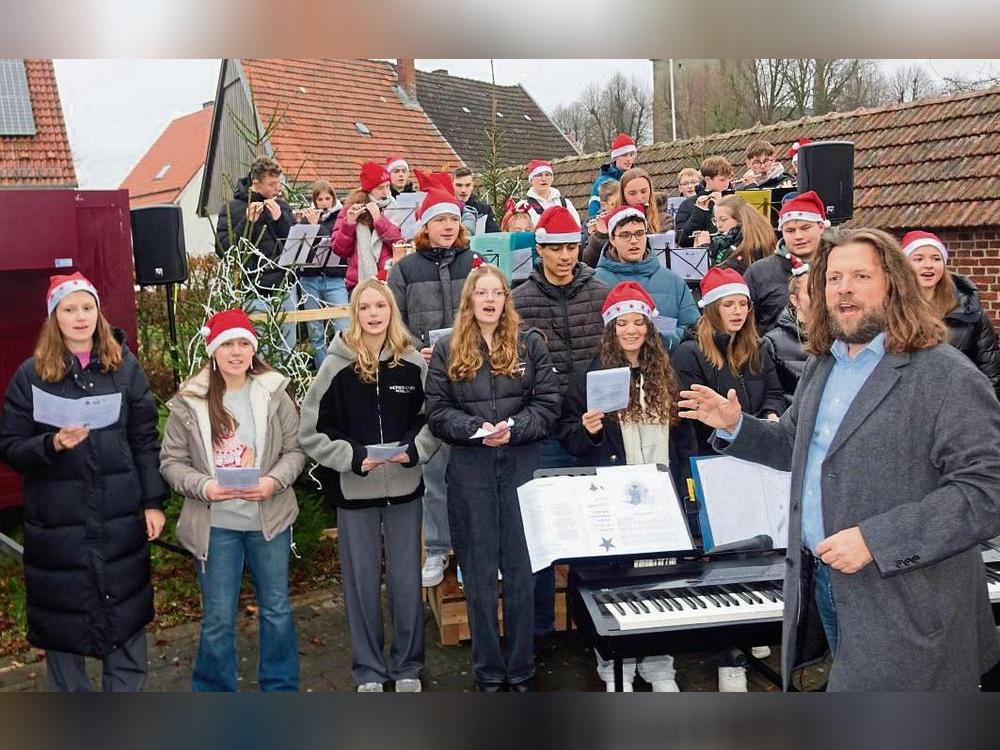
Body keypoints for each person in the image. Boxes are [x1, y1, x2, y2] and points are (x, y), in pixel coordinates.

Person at [680, 227, 1000, 691]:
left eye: (860, 276)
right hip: (823, 585)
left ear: (894, 284)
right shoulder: (824, 363)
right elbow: (796, 444)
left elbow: (986, 492)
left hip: (908, 597)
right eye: (833, 278)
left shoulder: (945, 375)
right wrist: (736, 426)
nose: (844, 288)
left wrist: (876, 540)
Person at [0, 273, 168, 691]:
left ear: (99, 313)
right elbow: (10, 446)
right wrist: (51, 443)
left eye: (87, 308)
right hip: (59, 526)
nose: (80, 317)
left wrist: (152, 502)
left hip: (119, 519)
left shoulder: (124, 368)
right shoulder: (31, 375)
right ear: (54, 318)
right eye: (69, 309)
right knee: (63, 625)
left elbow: (145, 440)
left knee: (126, 618)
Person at [424, 263, 561, 691]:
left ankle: (521, 669)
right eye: (481, 293)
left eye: (497, 293)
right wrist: (474, 431)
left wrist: (516, 429)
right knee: (479, 575)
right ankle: (487, 670)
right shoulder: (448, 349)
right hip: (471, 471)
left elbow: (549, 403)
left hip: (521, 467)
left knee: (521, 572)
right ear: (470, 300)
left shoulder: (529, 345)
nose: (489, 300)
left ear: (506, 299)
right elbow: (437, 410)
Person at [298, 278, 440, 692]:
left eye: (381, 306)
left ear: (391, 311)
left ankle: (408, 666)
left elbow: (435, 417)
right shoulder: (336, 365)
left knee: (406, 582)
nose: (374, 314)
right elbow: (311, 432)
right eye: (365, 307)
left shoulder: (412, 362)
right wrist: (353, 457)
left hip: (405, 488)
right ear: (354, 313)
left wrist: (415, 450)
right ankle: (369, 670)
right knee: (360, 584)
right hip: (354, 493)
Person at [557, 282, 698, 692]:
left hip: (662, 492)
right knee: (616, 581)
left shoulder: (667, 373)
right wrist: (588, 431)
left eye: (639, 322)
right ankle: (613, 659)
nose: (632, 330)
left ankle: (659, 662)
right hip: (615, 493)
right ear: (610, 327)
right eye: (623, 322)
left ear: (650, 328)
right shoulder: (590, 373)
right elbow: (568, 434)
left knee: (661, 579)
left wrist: (687, 489)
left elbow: (684, 436)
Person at [159, 309, 305, 692]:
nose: (236, 352)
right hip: (216, 527)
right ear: (213, 350)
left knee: (276, 611)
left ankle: (281, 689)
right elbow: (171, 463)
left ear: (253, 350)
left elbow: (295, 451)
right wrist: (205, 487)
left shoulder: (274, 392)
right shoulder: (190, 401)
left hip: (268, 522)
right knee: (218, 619)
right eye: (227, 344)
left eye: (244, 344)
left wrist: (273, 482)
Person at [512, 205, 609, 645]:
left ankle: (596, 626)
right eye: (557, 249)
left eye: (572, 247)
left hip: (593, 427)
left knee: (594, 529)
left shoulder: (600, 292)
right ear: (540, 249)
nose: (567, 256)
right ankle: (541, 629)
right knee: (544, 534)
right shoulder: (519, 301)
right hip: (545, 431)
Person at [387, 190, 477, 588]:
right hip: (425, 378)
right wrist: (413, 348)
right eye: (440, 220)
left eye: (453, 220)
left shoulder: (473, 264)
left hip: (472, 375)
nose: (448, 227)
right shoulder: (404, 270)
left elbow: (491, 308)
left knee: (472, 469)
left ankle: (475, 550)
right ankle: (438, 548)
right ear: (425, 225)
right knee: (435, 467)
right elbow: (394, 321)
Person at [672, 266, 785, 455]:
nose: (738, 311)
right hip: (713, 452)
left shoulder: (758, 348)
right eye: (729, 304)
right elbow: (692, 418)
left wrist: (770, 414)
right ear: (713, 309)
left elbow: (774, 393)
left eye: (743, 304)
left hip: (759, 445)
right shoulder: (688, 353)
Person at [902, 231, 1000, 398]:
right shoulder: (890, 309)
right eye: (918, 259)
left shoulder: (968, 309)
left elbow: (991, 371)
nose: (929, 265)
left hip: (958, 406)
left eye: (936, 258)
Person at [215, 156, 297, 349]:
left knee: (288, 347)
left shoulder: (282, 206)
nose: (278, 189)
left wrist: (280, 220)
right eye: (271, 184)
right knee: (261, 349)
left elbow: (293, 246)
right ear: (255, 183)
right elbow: (223, 249)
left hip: (284, 286)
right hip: (253, 288)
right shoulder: (232, 209)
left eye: (279, 183)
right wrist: (247, 223)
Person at [594, 205, 700, 351]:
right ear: (612, 239)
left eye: (639, 233)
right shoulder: (596, 282)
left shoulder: (673, 281)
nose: (634, 241)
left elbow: (693, 329)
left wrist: (660, 339)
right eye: (625, 235)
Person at [744, 190, 829, 334]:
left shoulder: (838, 266)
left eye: (805, 228)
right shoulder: (759, 272)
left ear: (821, 227)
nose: (798, 236)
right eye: (790, 230)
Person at [331, 162, 402, 294]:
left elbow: (399, 243)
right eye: (381, 188)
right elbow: (339, 250)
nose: (386, 192)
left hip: (389, 277)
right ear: (369, 189)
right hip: (358, 282)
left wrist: (380, 221)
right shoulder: (349, 208)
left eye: (388, 186)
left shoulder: (394, 207)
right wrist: (349, 223)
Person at [297, 180, 346, 367]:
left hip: (334, 277)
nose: (324, 203)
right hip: (310, 279)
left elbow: (335, 242)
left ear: (333, 199)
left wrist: (317, 226)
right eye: (320, 199)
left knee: (343, 325)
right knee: (315, 329)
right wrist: (309, 226)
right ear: (314, 201)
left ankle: (344, 367)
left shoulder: (340, 217)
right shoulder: (305, 220)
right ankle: (322, 369)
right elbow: (301, 252)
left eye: (328, 198)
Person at [583, 169, 663, 268]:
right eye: (632, 193)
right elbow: (588, 262)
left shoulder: (664, 219)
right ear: (623, 194)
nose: (639, 198)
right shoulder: (611, 219)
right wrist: (600, 237)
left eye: (643, 191)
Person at [764, 259, 812, 406]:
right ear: (794, 300)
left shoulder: (841, 337)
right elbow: (770, 395)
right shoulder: (772, 343)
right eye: (812, 293)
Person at [692, 194, 776, 274]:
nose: (718, 225)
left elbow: (720, 275)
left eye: (723, 219)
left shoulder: (750, 246)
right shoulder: (725, 241)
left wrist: (705, 248)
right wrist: (698, 251)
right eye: (715, 221)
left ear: (740, 219)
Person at [675, 156, 734, 247]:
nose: (727, 183)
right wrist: (699, 211)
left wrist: (724, 207)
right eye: (722, 180)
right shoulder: (688, 204)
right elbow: (682, 240)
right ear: (708, 180)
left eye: (728, 179)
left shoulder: (734, 200)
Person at [586, 133, 637, 219]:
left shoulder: (636, 179)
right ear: (615, 157)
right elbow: (593, 214)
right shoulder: (602, 182)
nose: (628, 159)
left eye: (631, 154)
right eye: (624, 155)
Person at [523, 159, 582, 228]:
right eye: (539, 175)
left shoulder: (565, 203)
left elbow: (577, 229)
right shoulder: (524, 206)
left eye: (547, 175)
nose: (544, 179)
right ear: (531, 180)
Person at [454, 167, 500, 234]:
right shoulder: (445, 210)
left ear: (472, 186)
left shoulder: (484, 211)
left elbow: (495, 238)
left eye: (467, 185)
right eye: (459, 185)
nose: (463, 190)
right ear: (451, 185)